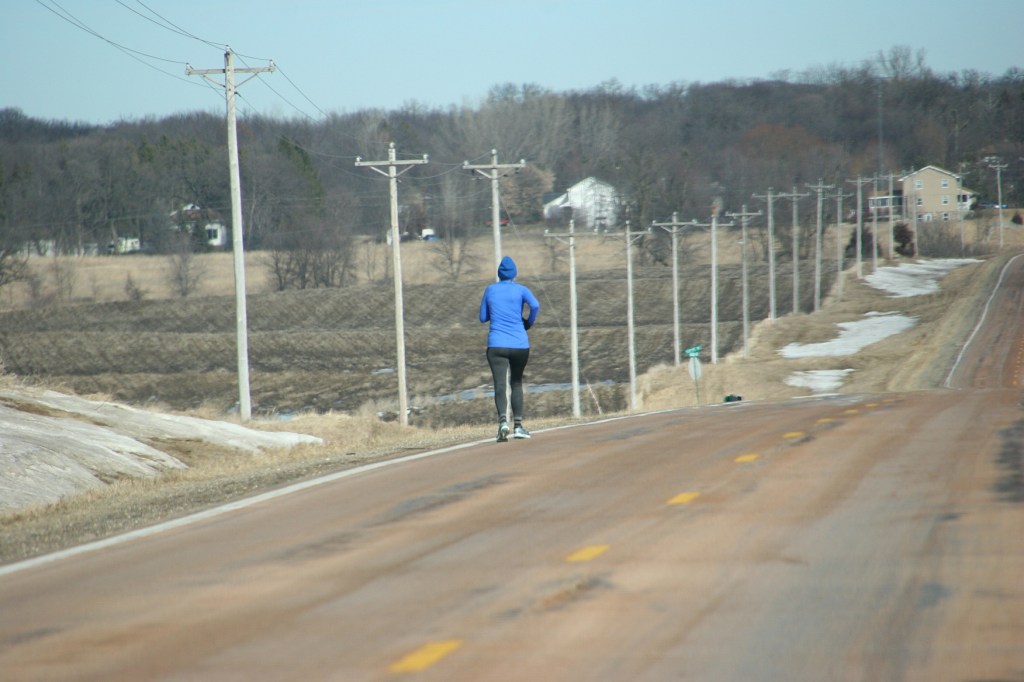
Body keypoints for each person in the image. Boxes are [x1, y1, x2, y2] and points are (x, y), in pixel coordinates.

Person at [479, 255, 540, 442]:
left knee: (499, 385)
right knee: (516, 383)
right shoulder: (521, 290)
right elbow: (536, 305)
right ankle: (519, 426)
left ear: (499, 274)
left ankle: (503, 423)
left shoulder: (490, 290)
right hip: (520, 345)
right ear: (515, 274)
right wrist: (528, 323)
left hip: (496, 345)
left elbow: (483, 318)